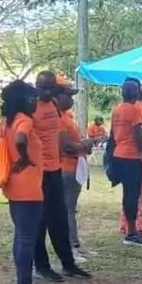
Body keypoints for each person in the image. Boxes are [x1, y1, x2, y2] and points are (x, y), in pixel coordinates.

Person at [0, 81, 53, 284]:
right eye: (32, 98)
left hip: (14, 187)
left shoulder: (7, 122)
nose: (36, 101)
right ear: (25, 100)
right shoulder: (24, 121)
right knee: (27, 238)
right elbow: (20, 139)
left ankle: (22, 283)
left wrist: (10, 158)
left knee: (21, 236)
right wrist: (24, 158)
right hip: (28, 189)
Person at [32, 71, 91, 279]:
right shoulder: (30, 108)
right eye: (42, 86)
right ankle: (41, 266)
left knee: (59, 219)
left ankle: (68, 263)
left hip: (54, 169)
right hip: (38, 173)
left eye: (50, 87)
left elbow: (58, 138)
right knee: (40, 221)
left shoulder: (55, 108)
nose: (46, 91)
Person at [110, 79, 142, 246]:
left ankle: (131, 230)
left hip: (119, 154)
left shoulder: (117, 109)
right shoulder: (133, 110)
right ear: (136, 93)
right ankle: (132, 232)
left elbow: (116, 133)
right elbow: (137, 136)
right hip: (131, 156)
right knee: (133, 196)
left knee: (127, 194)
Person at [56, 89, 96, 260]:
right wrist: (84, 145)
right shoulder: (58, 119)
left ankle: (75, 245)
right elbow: (66, 147)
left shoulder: (67, 117)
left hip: (74, 165)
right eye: (68, 96)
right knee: (67, 209)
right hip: (66, 167)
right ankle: (71, 247)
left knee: (71, 208)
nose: (71, 99)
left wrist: (83, 144)